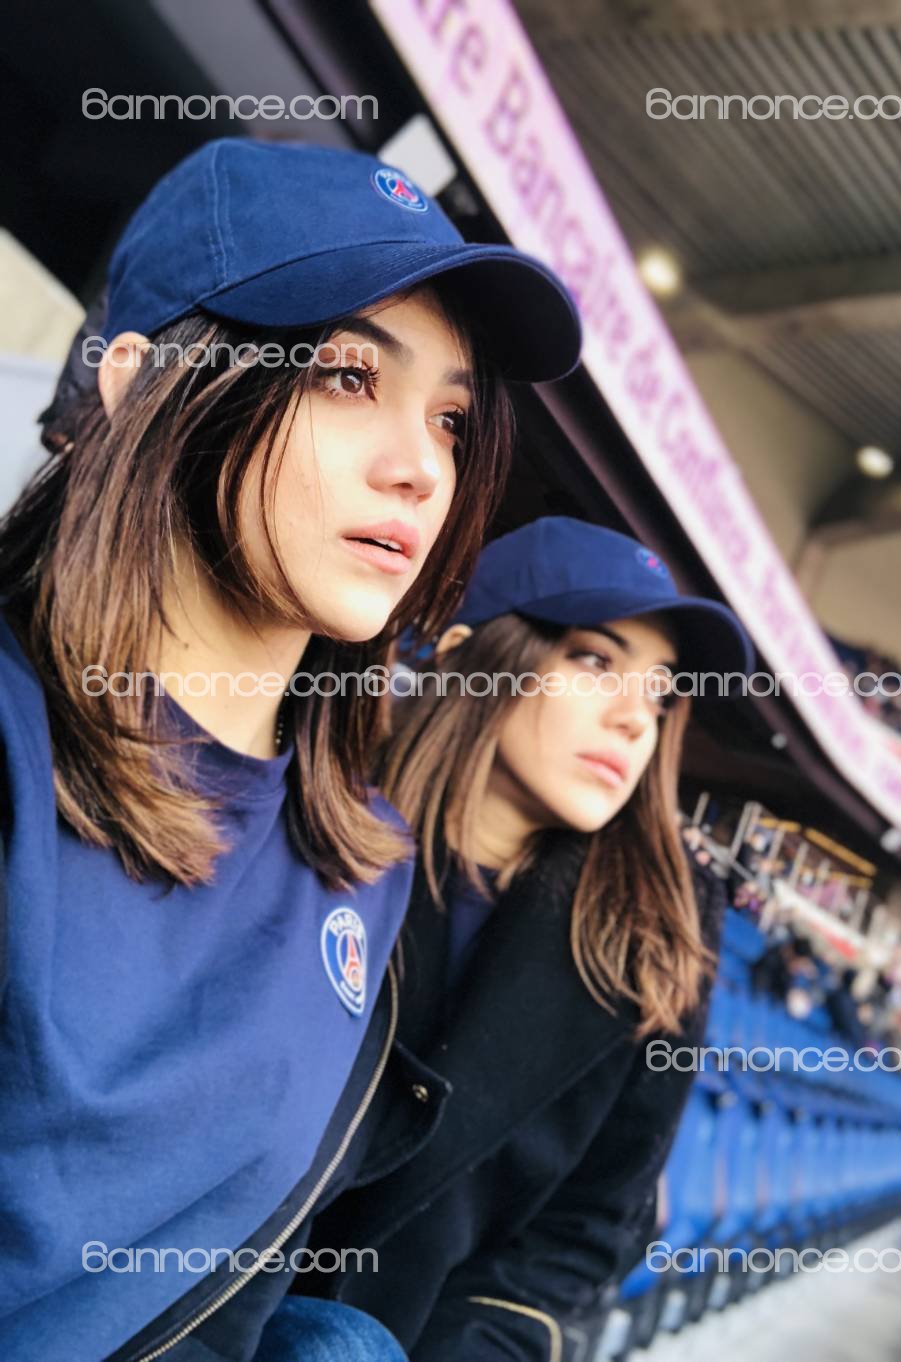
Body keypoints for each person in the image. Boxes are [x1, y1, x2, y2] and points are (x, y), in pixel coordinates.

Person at [0, 138, 580, 1362]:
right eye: (344, 376)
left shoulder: (360, 862)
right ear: (136, 384)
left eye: (451, 418)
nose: (420, 468)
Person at [306, 516, 754, 1361]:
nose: (636, 719)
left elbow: (591, 1226)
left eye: (660, 693)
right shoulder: (310, 807)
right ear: (470, 655)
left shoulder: (662, 928)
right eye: (595, 661)